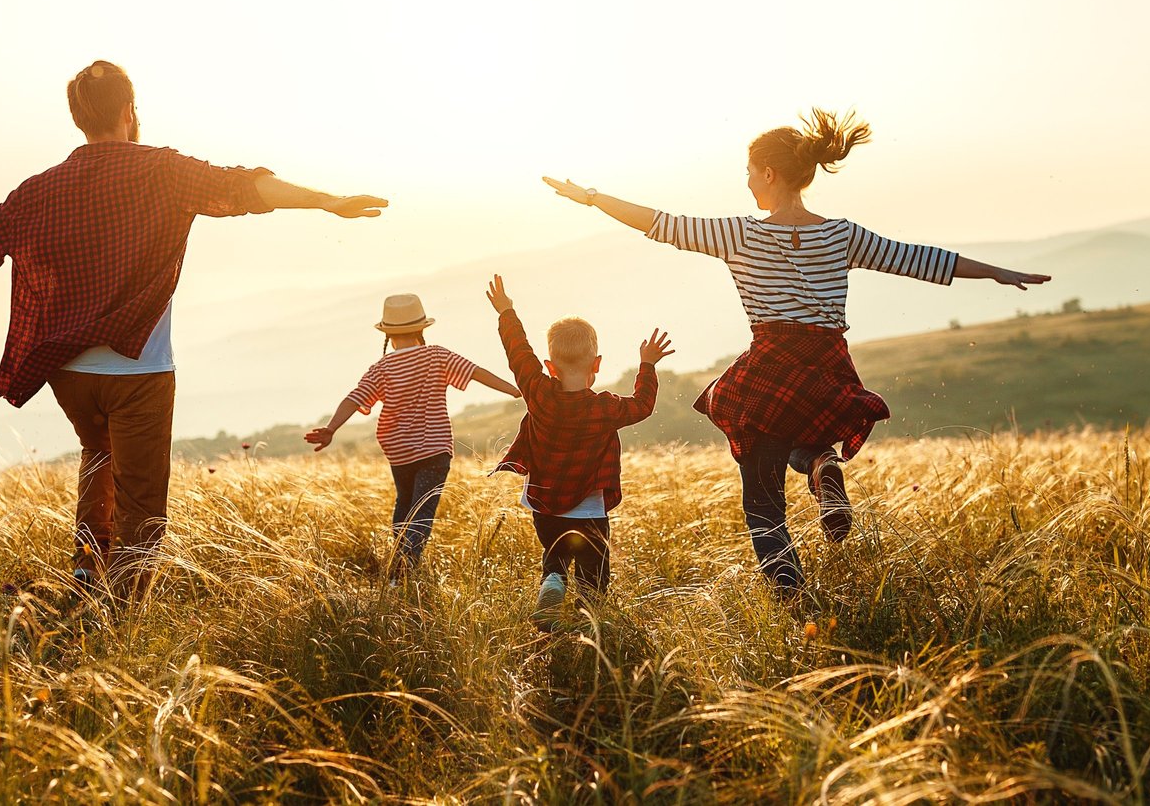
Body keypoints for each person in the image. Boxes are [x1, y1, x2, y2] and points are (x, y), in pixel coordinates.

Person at [0, 60, 387, 603]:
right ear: (129, 111)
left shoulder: (38, 191)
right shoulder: (162, 171)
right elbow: (245, 187)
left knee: (96, 458)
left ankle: (85, 577)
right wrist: (328, 201)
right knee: (142, 505)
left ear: (80, 118)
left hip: (69, 374)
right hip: (140, 373)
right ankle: (119, 617)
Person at [539, 108, 1048, 600]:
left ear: (768, 172)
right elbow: (920, 259)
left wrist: (591, 197)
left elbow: (659, 223)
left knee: (762, 502)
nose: (746, 184)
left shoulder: (740, 233)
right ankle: (822, 463)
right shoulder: (841, 234)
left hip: (771, 365)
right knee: (801, 435)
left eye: (748, 173)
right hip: (828, 366)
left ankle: (793, 600)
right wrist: (999, 273)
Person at [484, 274, 671, 630]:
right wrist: (647, 365)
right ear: (596, 364)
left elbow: (518, 353)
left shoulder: (538, 392)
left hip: (543, 503)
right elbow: (643, 405)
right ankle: (588, 623)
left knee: (555, 553)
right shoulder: (605, 408)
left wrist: (506, 312)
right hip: (589, 508)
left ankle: (553, 580)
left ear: (549, 366)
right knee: (593, 571)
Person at [304, 293, 520, 579]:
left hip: (399, 451)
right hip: (434, 448)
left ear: (389, 335)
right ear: (421, 328)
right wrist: (515, 389)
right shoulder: (437, 356)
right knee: (422, 509)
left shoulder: (381, 368)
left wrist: (331, 428)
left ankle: (397, 568)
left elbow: (354, 399)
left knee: (404, 504)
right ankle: (405, 568)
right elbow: (476, 372)